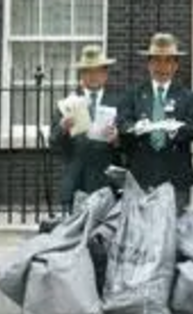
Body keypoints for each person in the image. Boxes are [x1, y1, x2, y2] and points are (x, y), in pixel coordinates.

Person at [116, 33, 193, 213]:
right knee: (142, 233)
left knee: (172, 234)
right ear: (149, 64)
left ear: (176, 65)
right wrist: (136, 128)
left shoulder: (187, 96)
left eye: (168, 61)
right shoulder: (134, 94)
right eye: (157, 61)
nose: (162, 67)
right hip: (142, 175)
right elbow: (122, 123)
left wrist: (175, 130)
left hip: (176, 176)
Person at [49, 44, 120, 215]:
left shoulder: (120, 103)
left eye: (98, 71)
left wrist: (118, 139)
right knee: (75, 237)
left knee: (104, 237)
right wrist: (63, 128)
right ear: (81, 75)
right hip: (76, 182)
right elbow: (53, 142)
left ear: (105, 74)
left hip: (107, 183)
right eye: (88, 71)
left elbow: (130, 144)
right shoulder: (67, 105)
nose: (93, 76)